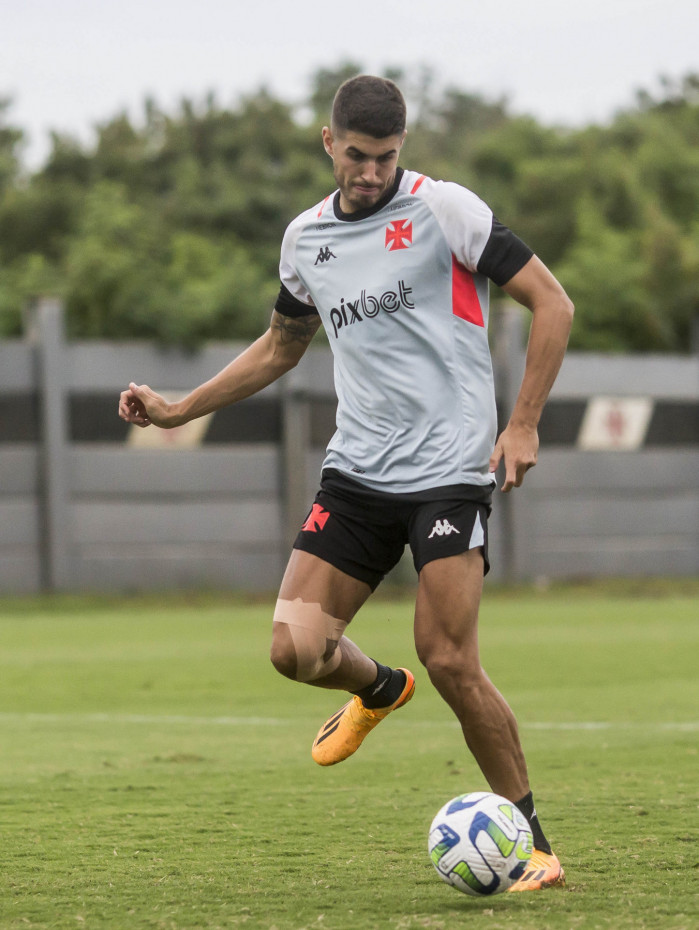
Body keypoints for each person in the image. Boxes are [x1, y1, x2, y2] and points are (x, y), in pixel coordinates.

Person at [119, 75, 574, 891]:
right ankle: (379, 688)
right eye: (357, 155)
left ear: (402, 149)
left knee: (450, 659)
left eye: (385, 158)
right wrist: (179, 407)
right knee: (294, 650)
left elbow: (552, 303)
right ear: (328, 142)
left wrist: (523, 423)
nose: (370, 172)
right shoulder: (305, 240)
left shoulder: (445, 210)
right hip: (357, 472)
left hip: (447, 472)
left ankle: (533, 844)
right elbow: (280, 345)